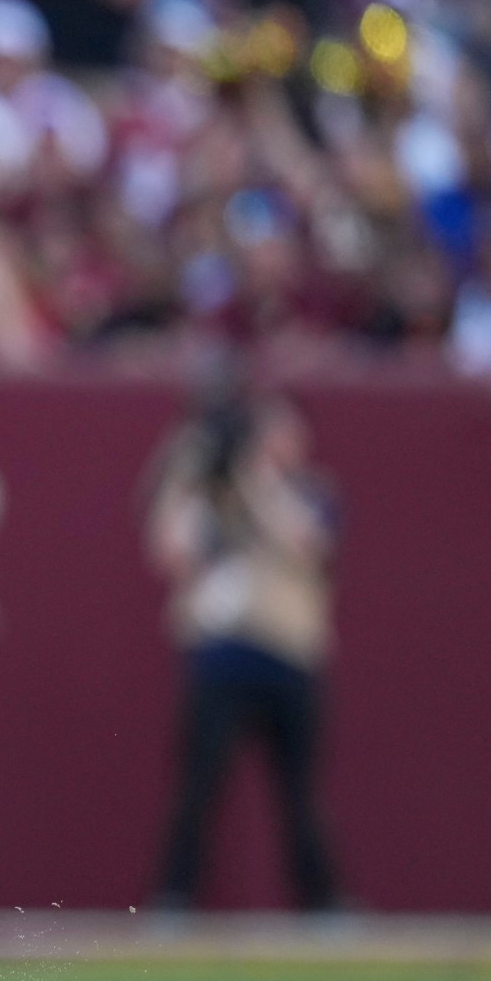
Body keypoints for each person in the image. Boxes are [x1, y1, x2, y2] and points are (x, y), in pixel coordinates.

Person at [145, 389, 339, 911]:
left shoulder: (313, 492)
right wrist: (186, 468)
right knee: (198, 785)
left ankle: (322, 903)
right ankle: (174, 897)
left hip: (288, 656)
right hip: (221, 657)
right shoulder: (213, 502)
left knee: (300, 794)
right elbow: (170, 550)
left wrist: (258, 480)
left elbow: (304, 541)